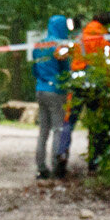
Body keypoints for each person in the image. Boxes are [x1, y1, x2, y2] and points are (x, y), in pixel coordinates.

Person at [69, 14, 110, 174]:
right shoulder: (103, 38)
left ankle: (60, 157)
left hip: (77, 84)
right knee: (96, 124)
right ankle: (95, 162)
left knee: (69, 121)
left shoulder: (81, 37)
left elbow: (71, 57)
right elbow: (108, 61)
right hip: (96, 84)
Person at [33, 12, 73, 179]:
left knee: (43, 131)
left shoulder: (39, 45)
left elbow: (34, 69)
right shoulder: (59, 46)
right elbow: (65, 69)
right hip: (56, 91)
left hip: (40, 89)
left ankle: (41, 168)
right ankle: (57, 166)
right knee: (58, 129)